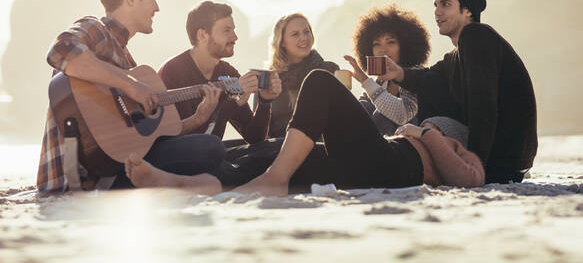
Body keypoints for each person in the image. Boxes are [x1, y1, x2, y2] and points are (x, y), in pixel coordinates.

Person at [124, 70, 485, 195]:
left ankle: (276, 179)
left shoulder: (457, 138)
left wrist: (426, 134)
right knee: (262, 154)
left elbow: (469, 178)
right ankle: (182, 185)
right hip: (355, 167)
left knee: (321, 83)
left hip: (395, 166)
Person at [37, 0, 225, 193]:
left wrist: (197, 119)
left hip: (111, 170)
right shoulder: (96, 29)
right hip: (77, 176)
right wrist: (131, 86)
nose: (157, 7)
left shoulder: (129, 64)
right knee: (210, 149)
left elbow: (149, 140)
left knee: (215, 150)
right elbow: (61, 50)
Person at [383, 0, 537, 184]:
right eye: (436, 5)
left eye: (446, 5)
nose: (437, 12)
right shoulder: (458, 53)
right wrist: (399, 73)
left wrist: (474, 167)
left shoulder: (476, 36)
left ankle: (432, 150)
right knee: (430, 79)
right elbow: (428, 75)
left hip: (503, 156)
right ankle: (431, 149)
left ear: (468, 11)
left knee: (431, 83)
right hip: (505, 157)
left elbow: (483, 106)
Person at [157, 1, 281, 145]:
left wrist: (265, 101)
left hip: (214, 153)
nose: (235, 37)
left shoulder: (228, 73)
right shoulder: (173, 72)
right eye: (227, 30)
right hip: (182, 157)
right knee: (215, 148)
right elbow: (183, 141)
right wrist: (229, 105)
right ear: (203, 35)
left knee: (275, 146)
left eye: (233, 30)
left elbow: (255, 138)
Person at [344, 4, 431, 135]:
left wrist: (364, 80)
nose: (383, 49)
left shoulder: (416, 74)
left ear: (404, 45)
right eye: (376, 44)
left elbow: (402, 115)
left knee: (382, 114)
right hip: (383, 142)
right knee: (362, 106)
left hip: (412, 141)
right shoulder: (381, 79)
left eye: (390, 42)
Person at [257, 13, 339, 138]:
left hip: (319, 145)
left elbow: (339, 116)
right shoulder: (268, 78)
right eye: (295, 34)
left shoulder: (328, 70)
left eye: (307, 32)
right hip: (277, 147)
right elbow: (260, 130)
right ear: (282, 42)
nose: (304, 38)